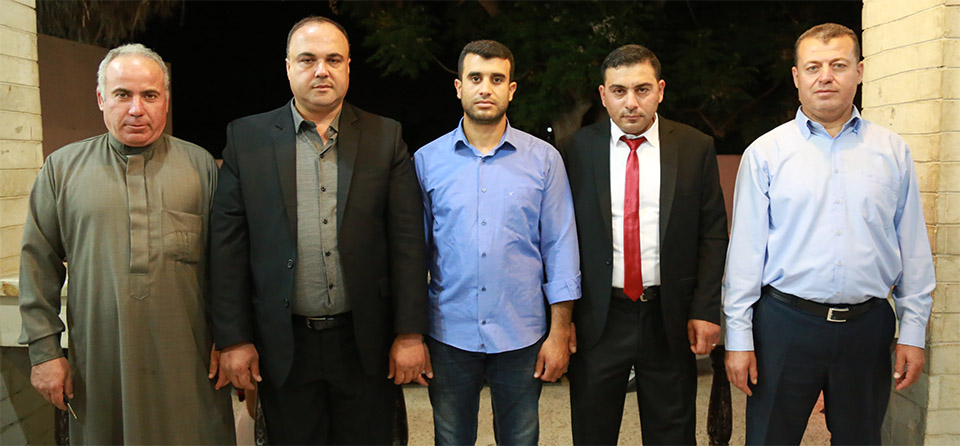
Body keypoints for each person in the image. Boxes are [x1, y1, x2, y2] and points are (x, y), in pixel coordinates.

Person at [210, 16, 429, 445]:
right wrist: (234, 339)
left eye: (333, 59)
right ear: (288, 67)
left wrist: (409, 333)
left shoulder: (386, 137)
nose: (321, 71)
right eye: (307, 59)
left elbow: (407, 243)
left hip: (364, 342)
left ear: (348, 67)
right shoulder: (247, 139)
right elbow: (228, 247)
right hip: (283, 345)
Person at [723, 23, 936, 444]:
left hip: (867, 328)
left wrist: (913, 333)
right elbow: (745, 255)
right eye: (813, 67)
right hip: (784, 325)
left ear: (859, 71)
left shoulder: (892, 151)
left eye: (838, 65)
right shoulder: (766, 153)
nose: (826, 77)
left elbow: (912, 248)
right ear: (796, 77)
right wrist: (738, 338)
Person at [17, 43, 235, 444]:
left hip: (189, 364)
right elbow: (37, 264)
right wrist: (45, 352)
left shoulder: (200, 167)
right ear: (101, 99)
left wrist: (231, 337)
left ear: (165, 101)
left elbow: (228, 265)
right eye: (122, 94)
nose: (137, 109)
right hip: (100, 365)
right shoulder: (62, 170)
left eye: (149, 95)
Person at [413, 40, 580, 445]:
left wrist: (560, 332)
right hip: (448, 334)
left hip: (522, 334)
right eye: (475, 78)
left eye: (496, 79)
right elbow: (413, 256)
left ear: (511, 89)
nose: (485, 88)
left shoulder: (544, 160)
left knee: (520, 439)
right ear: (458, 87)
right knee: (451, 440)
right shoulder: (426, 161)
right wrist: (411, 335)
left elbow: (560, 247)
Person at [561, 44, 728, 445]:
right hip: (599, 318)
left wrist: (706, 309)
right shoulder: (575, 151)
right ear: (603, 95)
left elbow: (712, 233)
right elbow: (558, 238)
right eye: (619, 91)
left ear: (660, 90)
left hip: (669, 317)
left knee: (673, 434)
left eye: (642, 89)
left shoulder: (694, 147)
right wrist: (562, 319)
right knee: (593, 433)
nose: (631, 102)